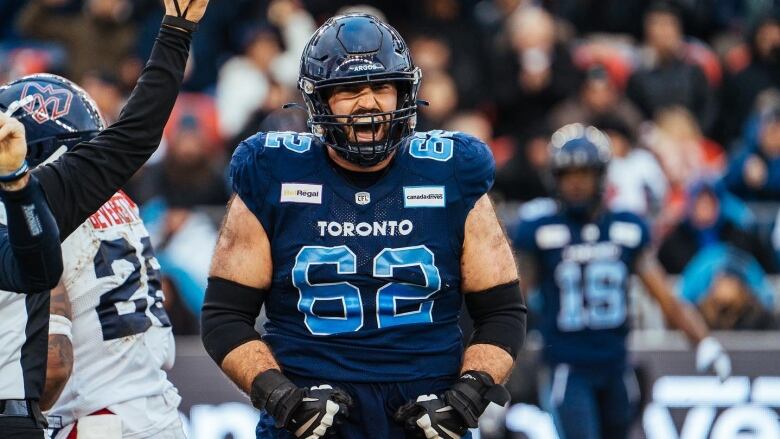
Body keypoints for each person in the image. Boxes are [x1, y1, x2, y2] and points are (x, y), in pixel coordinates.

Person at [200, 14, 527, 439]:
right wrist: (279, 395)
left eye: (382, 87)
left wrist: (469, 394)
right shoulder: (274, 171)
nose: (368, 102)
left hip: (425, 415)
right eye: (350, 90)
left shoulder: (450, 172)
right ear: (319, 101)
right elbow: (225, 316)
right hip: (313, 414)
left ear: (404, 93)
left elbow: (502, 311)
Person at [0, 1, 209, 437]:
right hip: (157, 408)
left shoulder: (43, 202)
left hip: (93, 420)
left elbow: (53, 365)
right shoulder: (120, 202)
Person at [511, 124, 731, 439]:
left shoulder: (626, 227)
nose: (575, 183)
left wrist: (703, 340)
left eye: (584, 173)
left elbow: (665, 296)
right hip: (567, 368)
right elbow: (512, 302)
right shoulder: (541, 229)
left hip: (616, 366)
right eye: (568, 174)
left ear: (600, 175)